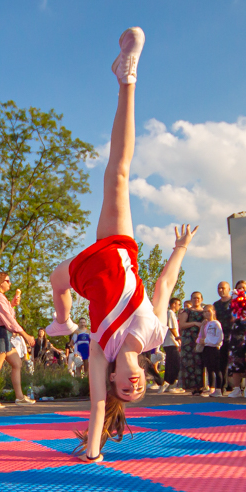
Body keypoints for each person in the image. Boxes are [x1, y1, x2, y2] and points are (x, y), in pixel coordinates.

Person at [42, 28, 196, 462]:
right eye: (140, 388)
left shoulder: (101, 352)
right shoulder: (154, 334)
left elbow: (95, 407)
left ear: (113, 382)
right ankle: (127, 76)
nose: (134, 387)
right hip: (117, 249)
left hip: (83, 273)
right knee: (118, 172)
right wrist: (180, 250)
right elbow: (163, 289)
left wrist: (93, 448)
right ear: (146, 373)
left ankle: (60, 319)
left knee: (57, 286)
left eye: (125, 391)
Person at [0, 272, 36, 408]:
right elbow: (8, 320)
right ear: (0, 282)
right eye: (7, 281)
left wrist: (12, 304)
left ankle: (19, 397)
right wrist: (25, 335)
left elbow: (7, 314)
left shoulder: (1, 298)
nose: (10, 283)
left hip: (4, 334)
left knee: (17, 363)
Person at [226, 281, 246, 398]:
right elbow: (231, 319)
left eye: (243, 288)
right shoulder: (233, 302)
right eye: (238, 288)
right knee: (235, 360)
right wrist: (238, 310)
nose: (241, 290)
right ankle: (236, 388)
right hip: (236, 333)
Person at [179, 292, 207, 394]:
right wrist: (195, 323)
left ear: (202, 299)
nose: (196, 300)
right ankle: (192, 387)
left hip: (201, 339)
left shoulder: (205, 311)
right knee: (190, 363)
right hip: (189, 340)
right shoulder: (187, 311)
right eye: (194, 298)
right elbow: (181, 325)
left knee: (200, 363)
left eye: (198, 298)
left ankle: (200, 386)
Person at [158, 296, 183, 393]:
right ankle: (171, 382)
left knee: (170, 363)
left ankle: (167, 382)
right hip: (172, 342)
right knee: (174, 363)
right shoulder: (170, 313)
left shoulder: (168, 313)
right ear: (174, 304)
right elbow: (172, 327)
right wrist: (178, 338)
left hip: (168, 343)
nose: (179, 306)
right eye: (178, 304)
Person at [200, 305, 225, 395]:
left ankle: (218, 389)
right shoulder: (207, 324)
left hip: (214, 348)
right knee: (209, 369)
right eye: (205, 312)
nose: (206, 313)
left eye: (208, 311)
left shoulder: (216, 323)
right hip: (207, 347)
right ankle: (212, 387)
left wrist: (209, 341)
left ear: (213, 312)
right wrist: (202, 327)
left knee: (216, 368)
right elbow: (203, 336)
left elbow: (219, 337)